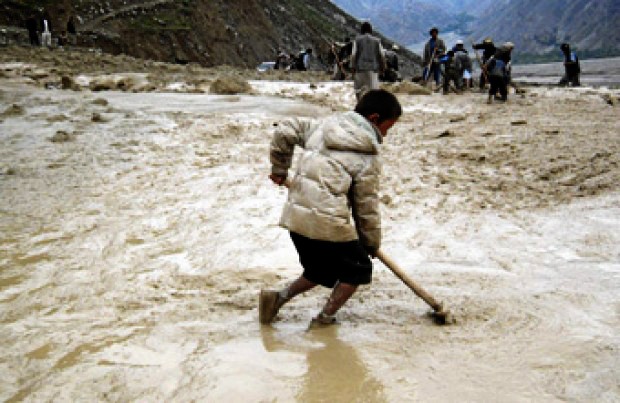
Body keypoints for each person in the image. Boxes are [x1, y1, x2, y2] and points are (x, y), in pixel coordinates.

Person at [260, 89, 403, 325]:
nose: (385, 136)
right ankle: (325, 318)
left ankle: (276, 299)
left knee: (320, 271)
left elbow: (285, 130)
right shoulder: (368, 157)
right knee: (358, 270)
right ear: (375, 119)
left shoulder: (323, 127)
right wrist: (370, 243)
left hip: (295, 219)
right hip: (327, 223)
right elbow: (365, 206)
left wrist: (280, 169)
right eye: (388, 127)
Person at [350, 22, 386, 100]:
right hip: (373, 69)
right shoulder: (377, 41)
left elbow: (353, 55)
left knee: (358, 90)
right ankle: (372, 109)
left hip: (360, 69)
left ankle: (360, 106)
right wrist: (383, 67)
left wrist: (352, 67)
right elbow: (382, 55)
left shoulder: (357, 40)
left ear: (361, 30)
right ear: (371, 30)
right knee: (373, 91)